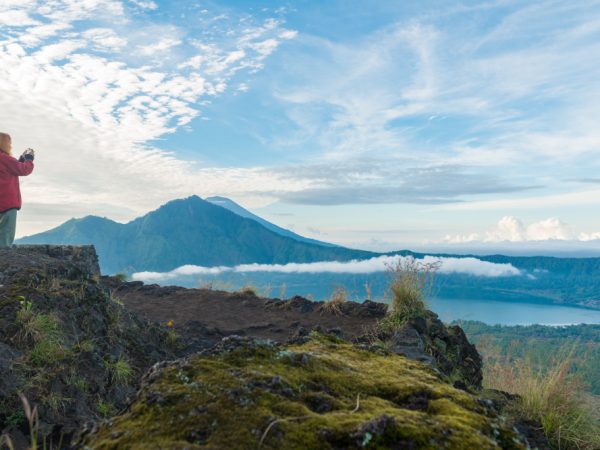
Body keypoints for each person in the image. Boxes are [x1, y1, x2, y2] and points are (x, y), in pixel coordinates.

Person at [0, 132, 35, 248]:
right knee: (5, 237)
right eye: (9, 142)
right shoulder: (4, 158)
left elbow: (11, 169)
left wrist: (19, 160)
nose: (10, 145)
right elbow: (24, 170)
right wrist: (29, 159)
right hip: (7, 203)